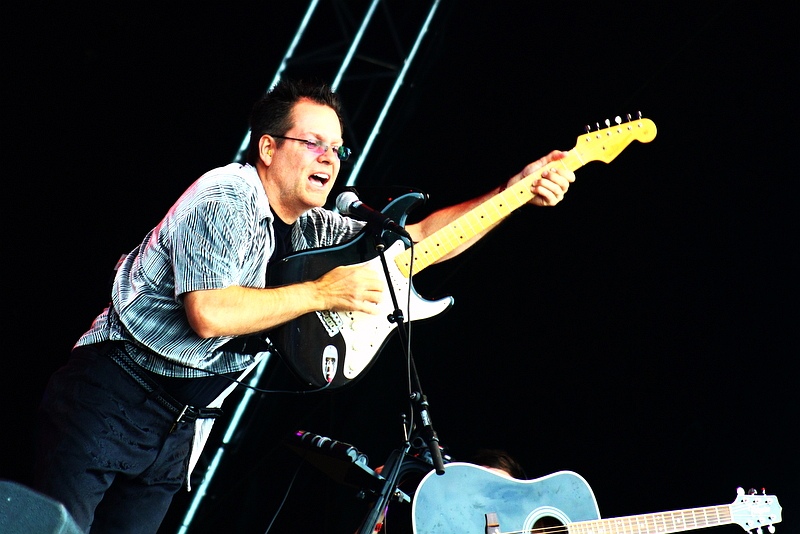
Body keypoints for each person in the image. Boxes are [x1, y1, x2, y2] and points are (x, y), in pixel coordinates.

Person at [32, 77, 575, 533]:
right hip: (114, 393)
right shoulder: (226, 195)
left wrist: (514, 193)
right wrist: (322, 292)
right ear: (268, 148)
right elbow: (209, 314)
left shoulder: (308, 227)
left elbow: (418, 244)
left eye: (337, 148)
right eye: (313, 143)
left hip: (179, 425)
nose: (329, 158)